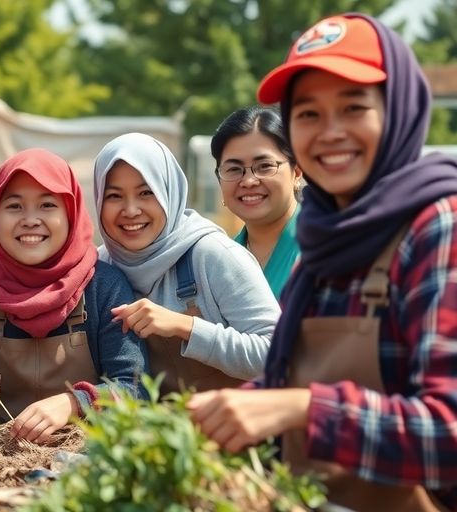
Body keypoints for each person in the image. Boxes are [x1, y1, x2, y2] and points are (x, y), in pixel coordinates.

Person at [189, 13, 457, 511]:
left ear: (397, 110)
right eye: (308, 114)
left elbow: (447, 433)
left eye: (353, 107)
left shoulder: (437, 228)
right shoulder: (326, 242)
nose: (330, 132)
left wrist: (306, 408)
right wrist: (216, 417)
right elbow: (282, 384)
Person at [0, 148, 147, 444]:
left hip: (87, 459)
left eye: (47, 205)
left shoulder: (103, 288)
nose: (30, 220)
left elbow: (134, 390)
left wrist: (75, 403)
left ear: (70, 213)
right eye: (14, 206)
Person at [95, 133, 279, 396]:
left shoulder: (212, 255)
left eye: (146, 192)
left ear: (169, 192)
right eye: (114, 196)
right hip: (143, 423)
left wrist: (185, 327)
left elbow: (277, 354)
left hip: (234, 420)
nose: (131, 210)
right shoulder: (101, 268)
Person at [211, 106, 303, 298]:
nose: (249, 181)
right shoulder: (218, 259)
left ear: (296, 172)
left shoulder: (324, 246)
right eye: (234, 169)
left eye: (264, 166)